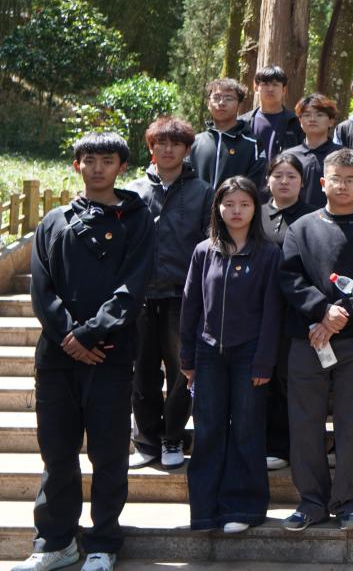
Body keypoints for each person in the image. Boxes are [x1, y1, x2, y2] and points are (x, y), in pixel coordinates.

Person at [21, 133, 153, 571]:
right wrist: (69, 337)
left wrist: (92, 334)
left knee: (109, 454)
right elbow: (42, 289)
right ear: (76, 165)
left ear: (122, 167)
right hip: (57, 358)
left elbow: (132, 287)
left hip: (110, 356)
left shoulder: (138, 220)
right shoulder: (54, 221)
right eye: (89, 160)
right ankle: (55, 542)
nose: (98, 168)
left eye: (107, 160)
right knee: (57, 453)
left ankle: (104, 544)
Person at [278, 149, 353, 532]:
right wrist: (320, 312)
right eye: (336, 179)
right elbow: (290, 279)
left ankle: (348, 503)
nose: (342, 185)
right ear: (323, 182)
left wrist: (337, 316)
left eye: (350, 179)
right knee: (304, 424)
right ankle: (311, 502)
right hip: (307, 339)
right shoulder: (301, 228)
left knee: (351, 425)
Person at [179, 176, 283, 534]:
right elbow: (191, 305)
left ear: (256, 208)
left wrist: (264, 361)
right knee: (207, 430)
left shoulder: (268, 254)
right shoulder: (203, 251)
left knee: (246, 430)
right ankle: (204, 511)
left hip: (249, 354)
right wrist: (187, 359)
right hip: (208, 352)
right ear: (218, 208)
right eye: (229, 204)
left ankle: (244, 507)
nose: (236, 211)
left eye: (244, 204)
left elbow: (272, 314)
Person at [126, 118, 213, 472]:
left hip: (182, 294)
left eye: (175, 144)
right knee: (142, 370)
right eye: (160, 143)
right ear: (151, 148)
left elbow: (210, 242)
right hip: (141, 294)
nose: (167, 149)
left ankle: (173, 437)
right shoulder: (133, 191)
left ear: (186, 150)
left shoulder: (202, 191)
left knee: (182, 370)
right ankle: (146, 440)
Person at [259, 152, 315, 472]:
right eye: (278, 175)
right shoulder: (255, 214)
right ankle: (264, 442)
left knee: (287, 378)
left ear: (302, 182)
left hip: (297, 310)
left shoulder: (313, 216)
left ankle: (285, 445)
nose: (284, 181)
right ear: (267, 180)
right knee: (262, 376)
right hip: (257, 309)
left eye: (292, 176)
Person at [190, 78, 264, 189]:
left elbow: (255, 185)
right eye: (216, 98)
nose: (221, 103)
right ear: (208, 104)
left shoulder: (253, 144)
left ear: (239, 105)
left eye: (228, 98)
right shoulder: (195, 142)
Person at [239, 65, 305, 161]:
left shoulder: (296, 122)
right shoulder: (242, 123)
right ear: (256, 88)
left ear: (284, 90)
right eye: (265, 84)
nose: (270, 89)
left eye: (275, 84)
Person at [292, 93, 341, 209]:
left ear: (331, 121)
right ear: (300, 121)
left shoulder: (342, 156)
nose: (312, 119)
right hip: (295, 218)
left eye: (319, 115)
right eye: (307, 115)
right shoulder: (289, 157)